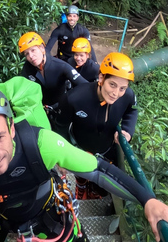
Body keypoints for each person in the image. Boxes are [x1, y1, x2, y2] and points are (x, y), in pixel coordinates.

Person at [0, 87, 168, 242]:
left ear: (12, 128)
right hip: (12, 224)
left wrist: (147, 200)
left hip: (52, 212)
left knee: (72, 235)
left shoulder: (42, 145)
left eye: (0, 137)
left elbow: (98, 170)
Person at [56, 52, 138, 199]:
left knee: (103, 183)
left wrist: (126, 130)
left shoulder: (127, 96)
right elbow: (60, 127)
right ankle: (81, 187)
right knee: (81, 174)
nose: (116, 93)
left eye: (122, 88)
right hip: (81, 148)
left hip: (108, 149)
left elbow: (131, 111)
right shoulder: (75, 98)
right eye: (112, 84)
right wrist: (62, 156)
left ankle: (95, 191)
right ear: (101, 78)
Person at [18, 31, 86, 107]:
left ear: (42, 48)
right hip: (40, 108)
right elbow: (22, 88)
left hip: (61, 107)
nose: (30, 56)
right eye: (26, 53)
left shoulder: (60, 66)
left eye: (33, 50)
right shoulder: (27, 67)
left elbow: (85, 85)